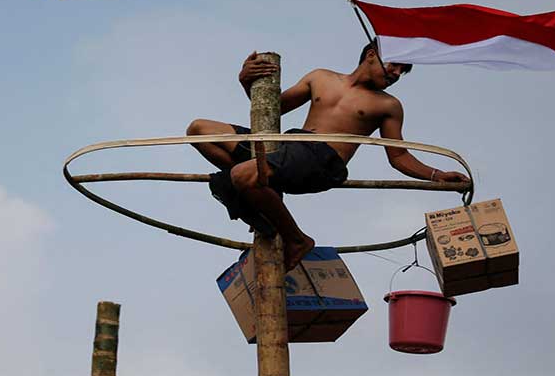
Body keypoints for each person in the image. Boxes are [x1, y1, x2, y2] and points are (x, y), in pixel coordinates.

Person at [186, 41, 470, 271]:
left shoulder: (389, 105)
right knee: (199, 130)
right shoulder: (320, 77)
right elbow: (273, 108)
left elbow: (398, 156)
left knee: (240, 176)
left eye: (402, 71)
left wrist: (437, 175)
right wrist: (245, 81)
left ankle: (296, 239)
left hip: (320, 160)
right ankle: (260, 187)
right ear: (372, 54)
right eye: (395, 64)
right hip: (288, 146)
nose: (396, 73)